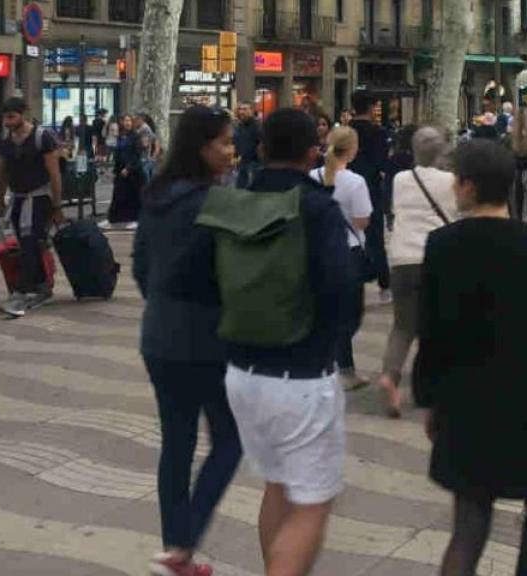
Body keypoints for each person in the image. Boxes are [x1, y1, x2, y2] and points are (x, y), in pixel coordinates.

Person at [413, 138, 527, 576]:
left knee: (468, 530)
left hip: (465, 408)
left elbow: (431, 332)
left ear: (468, 186)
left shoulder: (442, 245)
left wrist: (430, 401)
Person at [222, 108, 353, 576]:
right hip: (300, 375)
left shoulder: (236, 200)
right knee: (312, 504)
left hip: (241, 372)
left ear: (259, 149)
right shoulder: (316, 207)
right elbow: (342, 291)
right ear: (312, 152)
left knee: (277, 486)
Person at [132, 106, 243, 576]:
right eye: (224, 142)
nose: (231, 150)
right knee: (230, 440)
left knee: (176, 443)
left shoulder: (157, 195)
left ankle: (176, 547)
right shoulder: (212, 202)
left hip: (159, 334)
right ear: (202, 147)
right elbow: (230, 275)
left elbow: (140, 266)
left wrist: (162, 303)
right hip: (206, 339)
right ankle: (183, 544)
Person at [377, 126, 454, 418]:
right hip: (436, 258)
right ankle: (431, 387)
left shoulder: (400, 179)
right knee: (436, 326)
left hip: (401, 258)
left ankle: (389, 376)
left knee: (403, 326)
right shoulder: (450, 181)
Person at [310, 126, 373, 392]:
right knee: (349, 312)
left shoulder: (312, 176)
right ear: (352, 150)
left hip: (317, 249)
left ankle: (325, 362)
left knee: (324, 309)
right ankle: (345, 368)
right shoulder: (355, 181)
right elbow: (361, 220)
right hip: (348, 251)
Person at [0, 97, 64, 318]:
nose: (7, 121)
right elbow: (2, 172)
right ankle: (40, 284)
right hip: (19, 198)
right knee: (27, 243)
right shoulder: (6, 142)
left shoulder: (42, 138)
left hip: (39, 198)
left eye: (12, 116)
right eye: (5, 117)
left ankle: (25, 289)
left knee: (32, 241)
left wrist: (57, 205)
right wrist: (0, 199)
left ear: (23, 114)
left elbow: (54, 173)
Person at [348, 91, 393, 303]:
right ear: (371, 107)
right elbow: (383, 164)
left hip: (346, 186)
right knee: (375, 238)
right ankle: (385, 285)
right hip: (371, 188)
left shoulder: (345, 132)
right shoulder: (379, 133)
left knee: (348, 235)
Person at [103, 114, 144, 230]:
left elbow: (137, 154)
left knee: (134, 196)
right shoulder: (121, 136)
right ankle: (114, 218)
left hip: (133, 171)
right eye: (125, 121)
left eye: (129, 121)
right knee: (118, 195)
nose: (127, 123)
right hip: (120, 170)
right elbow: (117, 153)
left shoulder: (135, 136)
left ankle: (136, 219)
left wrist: (128, 168)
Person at [234, 101, 261, 188]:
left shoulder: (258, 126)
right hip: (242, 161)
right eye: (240, 109)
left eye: (245, 109)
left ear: (252, 111)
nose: (241, 112)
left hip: (253, 163)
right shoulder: (239, 125)